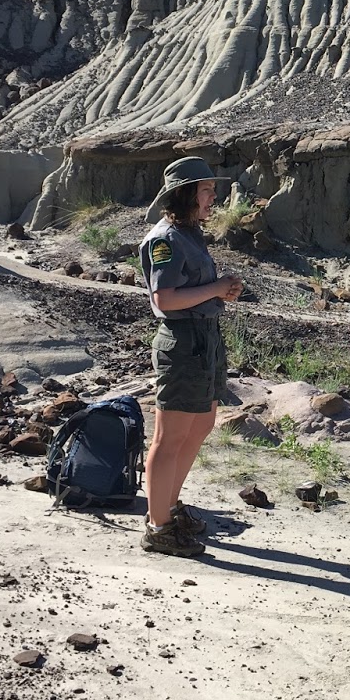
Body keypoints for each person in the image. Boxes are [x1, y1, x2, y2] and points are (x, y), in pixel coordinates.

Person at [137, 157, 244, 557]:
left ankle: (168, 507)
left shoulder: (190, 233)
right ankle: (158, 528)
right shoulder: (164, 239)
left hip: (204, 338)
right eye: (206, 190)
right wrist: (215, 288)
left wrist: (221, 291)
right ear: (185, 194)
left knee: (200, 425)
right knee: (169, 438)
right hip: (183, 342)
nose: (214, 197)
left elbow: (192, 290)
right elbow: (164, 299)